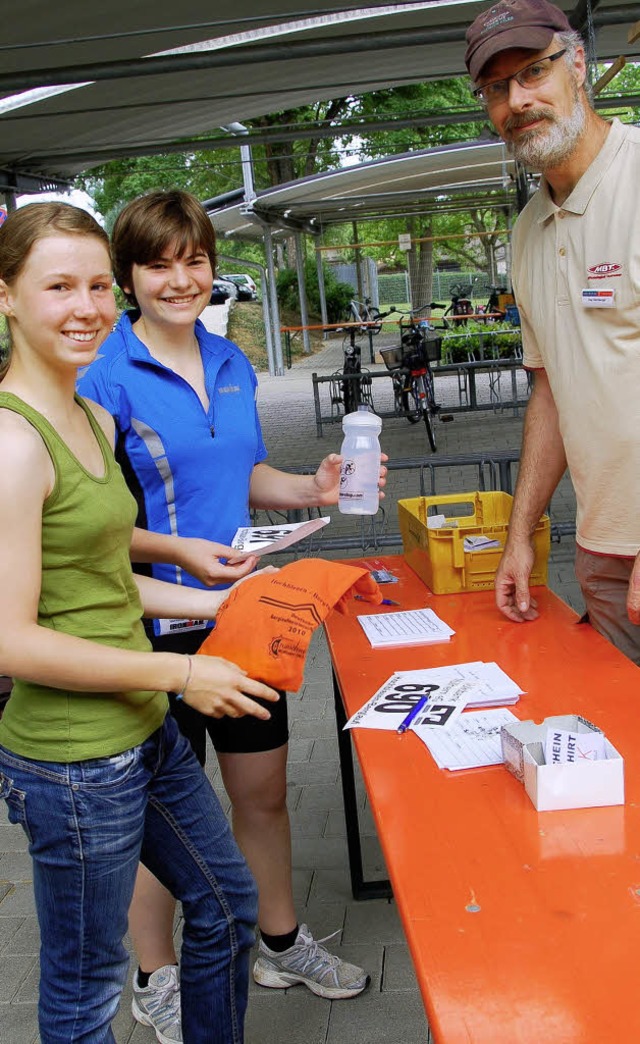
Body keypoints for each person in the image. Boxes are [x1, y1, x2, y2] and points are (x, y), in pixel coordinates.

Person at [79, 189, 380, 1041]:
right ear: (128, 276)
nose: (180, 279)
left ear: (213, 266)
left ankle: (278, 943)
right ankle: (157, 974)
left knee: (262, 793)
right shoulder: (101, 377)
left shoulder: (231, 360)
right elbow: (91, 521)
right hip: (146, 628)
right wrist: (179, 557)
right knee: (160, 814)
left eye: (195, 259)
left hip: (244, 618)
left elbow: (248, 478)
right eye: (158, 263)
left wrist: (311, 489)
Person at [0, 201, 282, 1044]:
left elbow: (102, 570)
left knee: (230, 909)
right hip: (74, 763)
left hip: (138, 730)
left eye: (94, 285)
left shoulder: (86, 415)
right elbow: (11, 639)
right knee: (86, 992)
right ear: (8, 296)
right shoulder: (14, 444)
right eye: (59, 286)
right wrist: (184, 670)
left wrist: (218, 602)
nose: (86, 306)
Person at [464, 0, 640, 661]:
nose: (518, 99)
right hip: (601, 551)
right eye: (497, 87)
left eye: (534, 71)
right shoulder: (528, 230)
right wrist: (520, 537)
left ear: (579, 67)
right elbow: (550, 393)